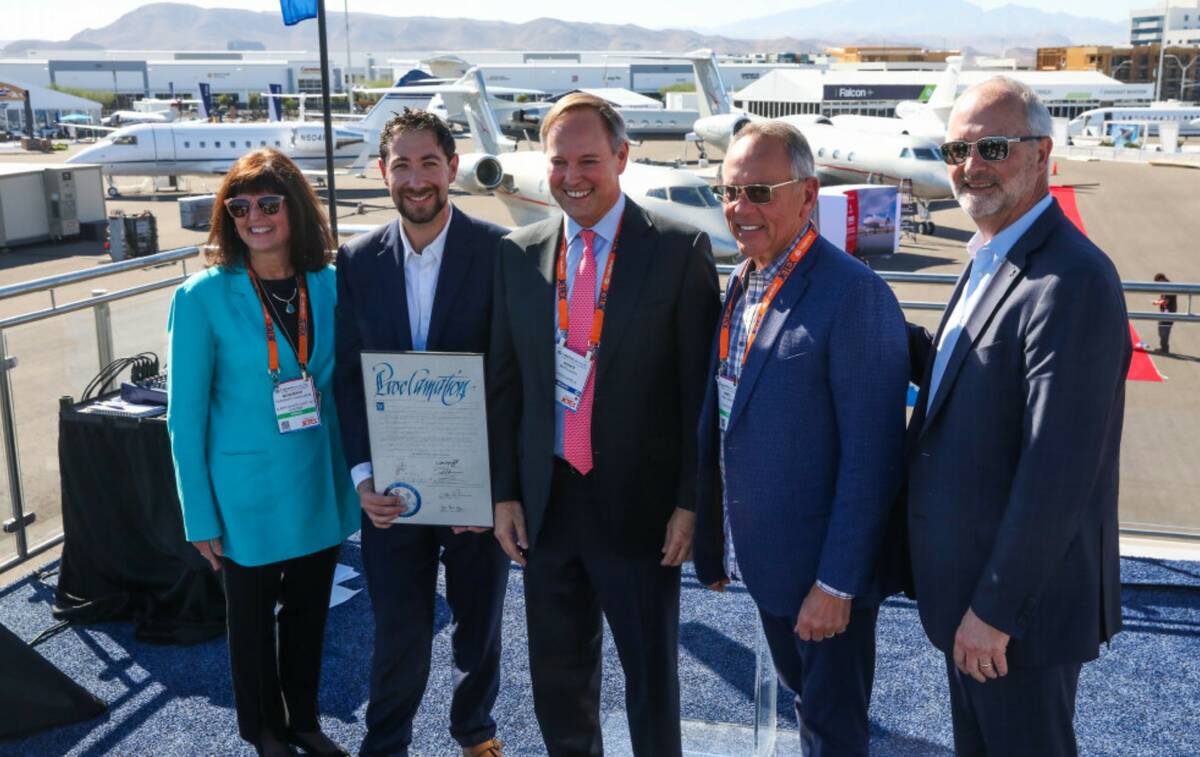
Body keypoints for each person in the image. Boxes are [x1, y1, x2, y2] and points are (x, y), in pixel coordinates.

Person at [487, 93, 720, 756]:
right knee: (557, 682)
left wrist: (688, 501)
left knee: (651, 680)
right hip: (547, 506)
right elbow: (506, 388)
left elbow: (695, 394)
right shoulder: (519, 253)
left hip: (642, 511)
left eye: (589, 159)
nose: (572, 175)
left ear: (621, 156)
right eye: (559, 161)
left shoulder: (678, 250)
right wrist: (505, 491)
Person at [905, 77, 1131, 756]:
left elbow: (1057, 469)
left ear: (1041, 154)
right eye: (957, 148)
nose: (970, 166)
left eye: (992, 147)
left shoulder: (1072, 279)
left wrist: (994, 612)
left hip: (1013, 620)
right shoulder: (990, 256)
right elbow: (969, 383)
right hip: (971, 604)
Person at [692, 121, 909, 755]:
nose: (740, 208)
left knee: (833, 730)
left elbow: (873, 457)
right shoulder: (743, 279)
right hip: (770, 564)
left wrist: (838, 584)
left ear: (808, 194)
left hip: (822, 579)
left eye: (760, 191)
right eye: (728, 192)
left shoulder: (855, 295)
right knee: (807, 710)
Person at [166, 149, 358, 757]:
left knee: (308, 616)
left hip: (316, 484)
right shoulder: (201, 297)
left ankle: (303, 719)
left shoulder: (330, 285)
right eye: (240, 206)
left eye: (270, 203)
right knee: (248, 628)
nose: (256, 217)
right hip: (242, 496)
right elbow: (184, 418)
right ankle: (262, 730)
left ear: (295, 209)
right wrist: (199, 515)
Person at [332, 109, 509, 757]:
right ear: (382, 173)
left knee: (478, 625)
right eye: (401, 164)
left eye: (428, 162)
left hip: (475, 488)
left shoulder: (499, 252)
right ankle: (386, 745)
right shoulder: (355, 260)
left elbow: (513, 377)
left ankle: (475, 730)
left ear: (452, 168)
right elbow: (349, 378)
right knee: (398, 628)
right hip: (392, 491)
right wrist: (362, 477)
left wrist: (493, 485)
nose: (415, 178)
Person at [1152, 273, 1176, 354]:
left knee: (1164, 332)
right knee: (1161, 330)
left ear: (1161, 279)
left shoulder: (1169, 287)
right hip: (1165, 314)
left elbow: (1166, 300)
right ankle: (1164, 348)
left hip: (1169, 314)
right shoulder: (1165, 286)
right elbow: (1163, 298)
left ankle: (1164, 349)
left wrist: (1156, 302)